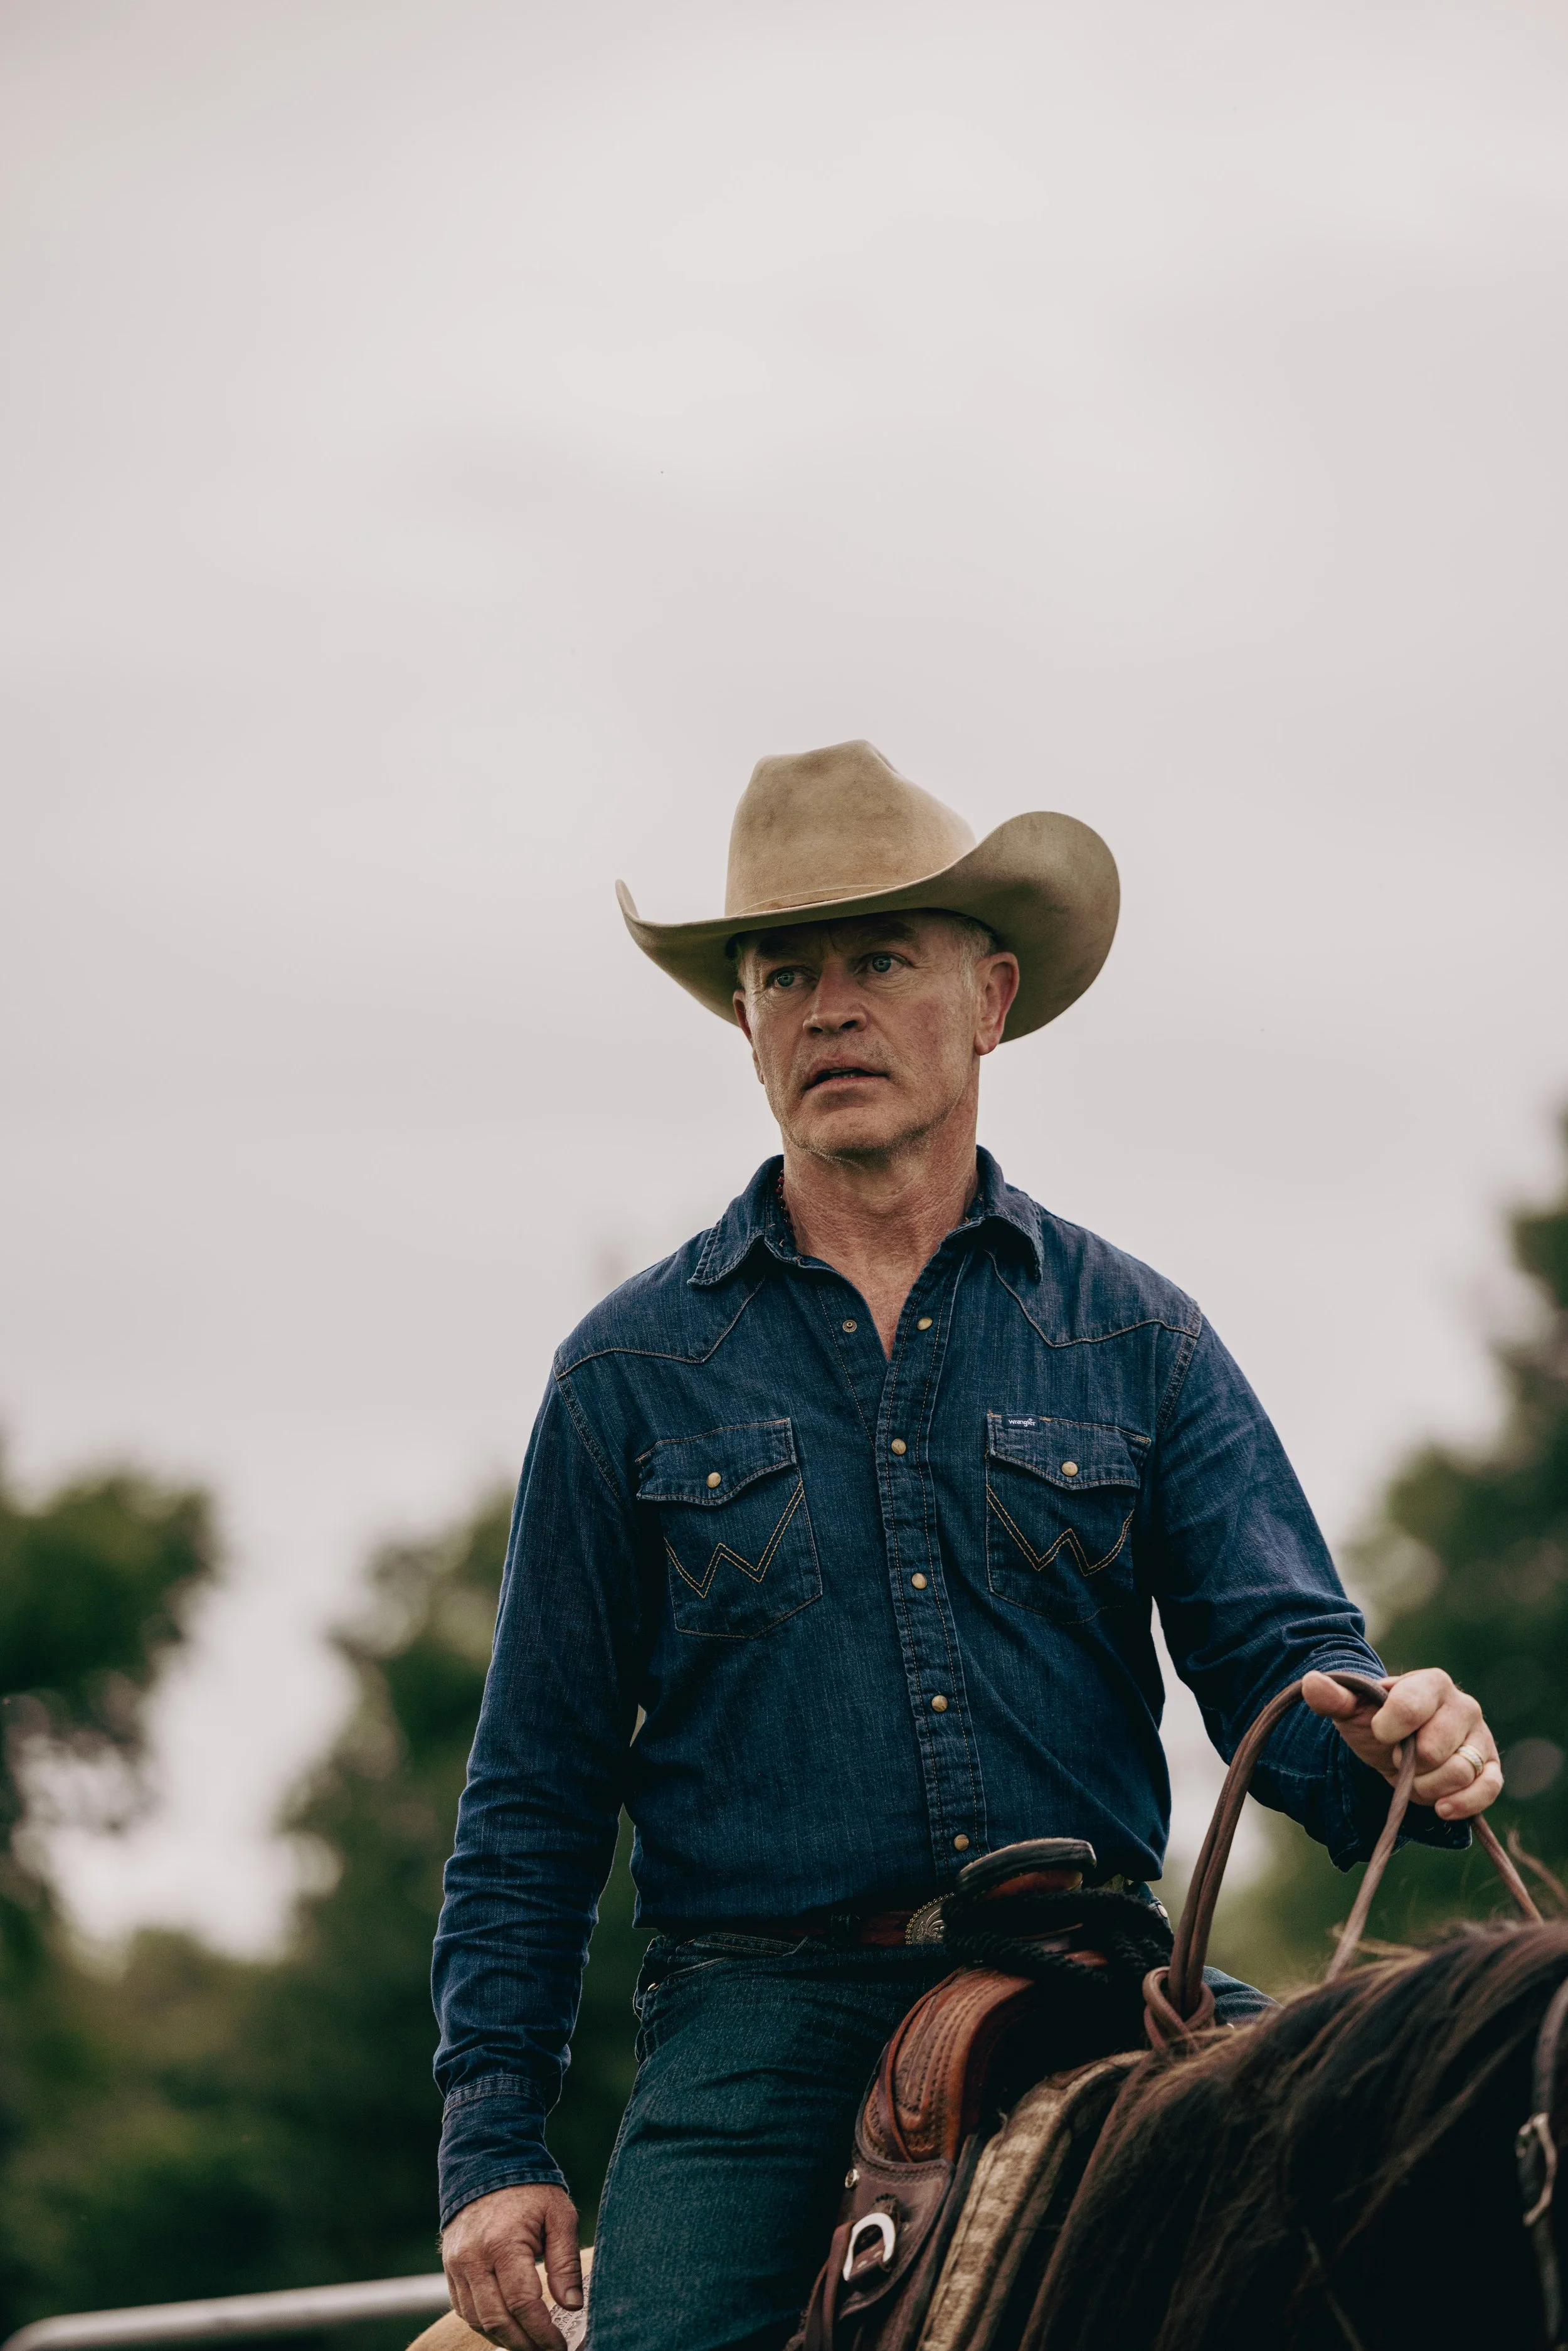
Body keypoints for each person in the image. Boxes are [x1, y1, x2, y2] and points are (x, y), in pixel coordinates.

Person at [432, 741, 1503, 2351]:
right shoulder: (626, 1376)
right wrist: (495, 2145)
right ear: (745, 1022)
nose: (827, 1005)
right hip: (761, 2023)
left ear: (989, 995)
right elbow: (531, 1793)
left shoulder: (1136, 1335)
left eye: (877, 959)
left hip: (1104, 1980)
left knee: (1421, 2225)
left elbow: (1286, 1668)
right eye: (784, 971)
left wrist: (1393, 1740)